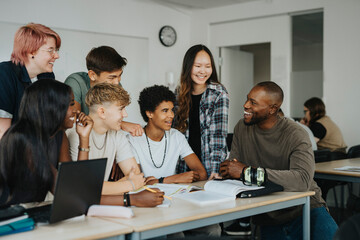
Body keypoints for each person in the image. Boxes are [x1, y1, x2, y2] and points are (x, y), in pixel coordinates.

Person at [219, 81, 338, 240]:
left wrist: (248, 172)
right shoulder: (241, 127)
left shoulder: (296, 133)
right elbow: (234, 167)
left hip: (304, 208)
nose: (245, 105)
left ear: (272, 109)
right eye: (247, 99)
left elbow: (302, 180)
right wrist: (226, 172)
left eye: (253, 102)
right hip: (267, 213)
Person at [66, 83, 164, 207]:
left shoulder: (118, 135)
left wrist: (102, 187)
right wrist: (129, 184)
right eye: (121, 109)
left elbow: (136, 176)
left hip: (96, 205)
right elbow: (83, 187)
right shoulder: (76, 134)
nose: (125, 115)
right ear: (102, 112)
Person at [0, 79, 92, 207]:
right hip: (9, 218)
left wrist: (84, 139)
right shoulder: (21, 138)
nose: (76, 110)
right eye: (71, 104)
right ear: (52, 107)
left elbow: (75, 184)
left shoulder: (59, 135)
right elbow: (66, 191)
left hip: (30, 214)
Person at [127, 85, 207, 184]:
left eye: (172, 110)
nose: (171, 115)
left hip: (174, 195)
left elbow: (202, 173)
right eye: (165, 111)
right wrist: (173, 179)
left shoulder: (176, 136)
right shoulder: (132, 140)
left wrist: (158, 181)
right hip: (146, 197)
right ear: (149, 113)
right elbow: (135, 182)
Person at [174, 44, 229, 180]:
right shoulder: (179, 93)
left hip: (209, 166)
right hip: (183, 165)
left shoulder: (218, 93)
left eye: (207, 66)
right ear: (188, 66)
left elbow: (218, 135)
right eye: (198, 66)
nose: (203, 71)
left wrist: (216, 169)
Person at [64, 45, 143, 137]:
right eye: (112, 77)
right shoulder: (75, 82)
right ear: (92, 75)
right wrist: (122, 124)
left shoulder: (115, 85)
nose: (117, 82)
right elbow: (74, 121)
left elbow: (112, 116)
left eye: (119, 75)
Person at [0, 23, 61, 139]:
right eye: (51, 50)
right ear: (31, 51)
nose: (57, 56)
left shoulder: (47, 76)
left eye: (56, 50)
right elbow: (2, 132)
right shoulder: (4, 74)